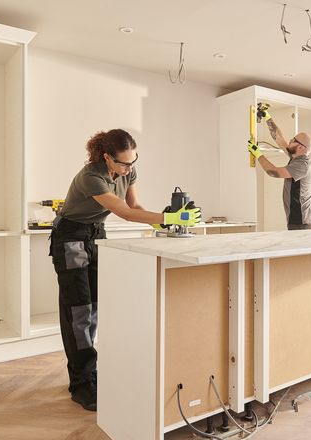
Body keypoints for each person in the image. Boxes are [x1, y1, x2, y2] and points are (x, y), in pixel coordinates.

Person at [50, 129, 201, 411]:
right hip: (70, 237)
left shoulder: (129, 173)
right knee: (77, 311)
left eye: (133, 162)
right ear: (107, 157)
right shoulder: (90, 177)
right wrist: (169, 217)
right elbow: (125, 213)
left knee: (94, 307)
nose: (129, 168)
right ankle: (81, 384)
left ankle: (90, 373)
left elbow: (136, 206)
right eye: (123, 163)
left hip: (96, 234)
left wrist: (163, 223)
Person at [247, 107, 311, 230]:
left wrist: (257, 154)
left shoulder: (302, 164)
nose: (290, 140)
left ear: (301, 147)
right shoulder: (296, 156)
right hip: (299, 220)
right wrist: (267, 117)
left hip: (302, 222)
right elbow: (279, 138)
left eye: (294, 140)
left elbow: (274, 172)